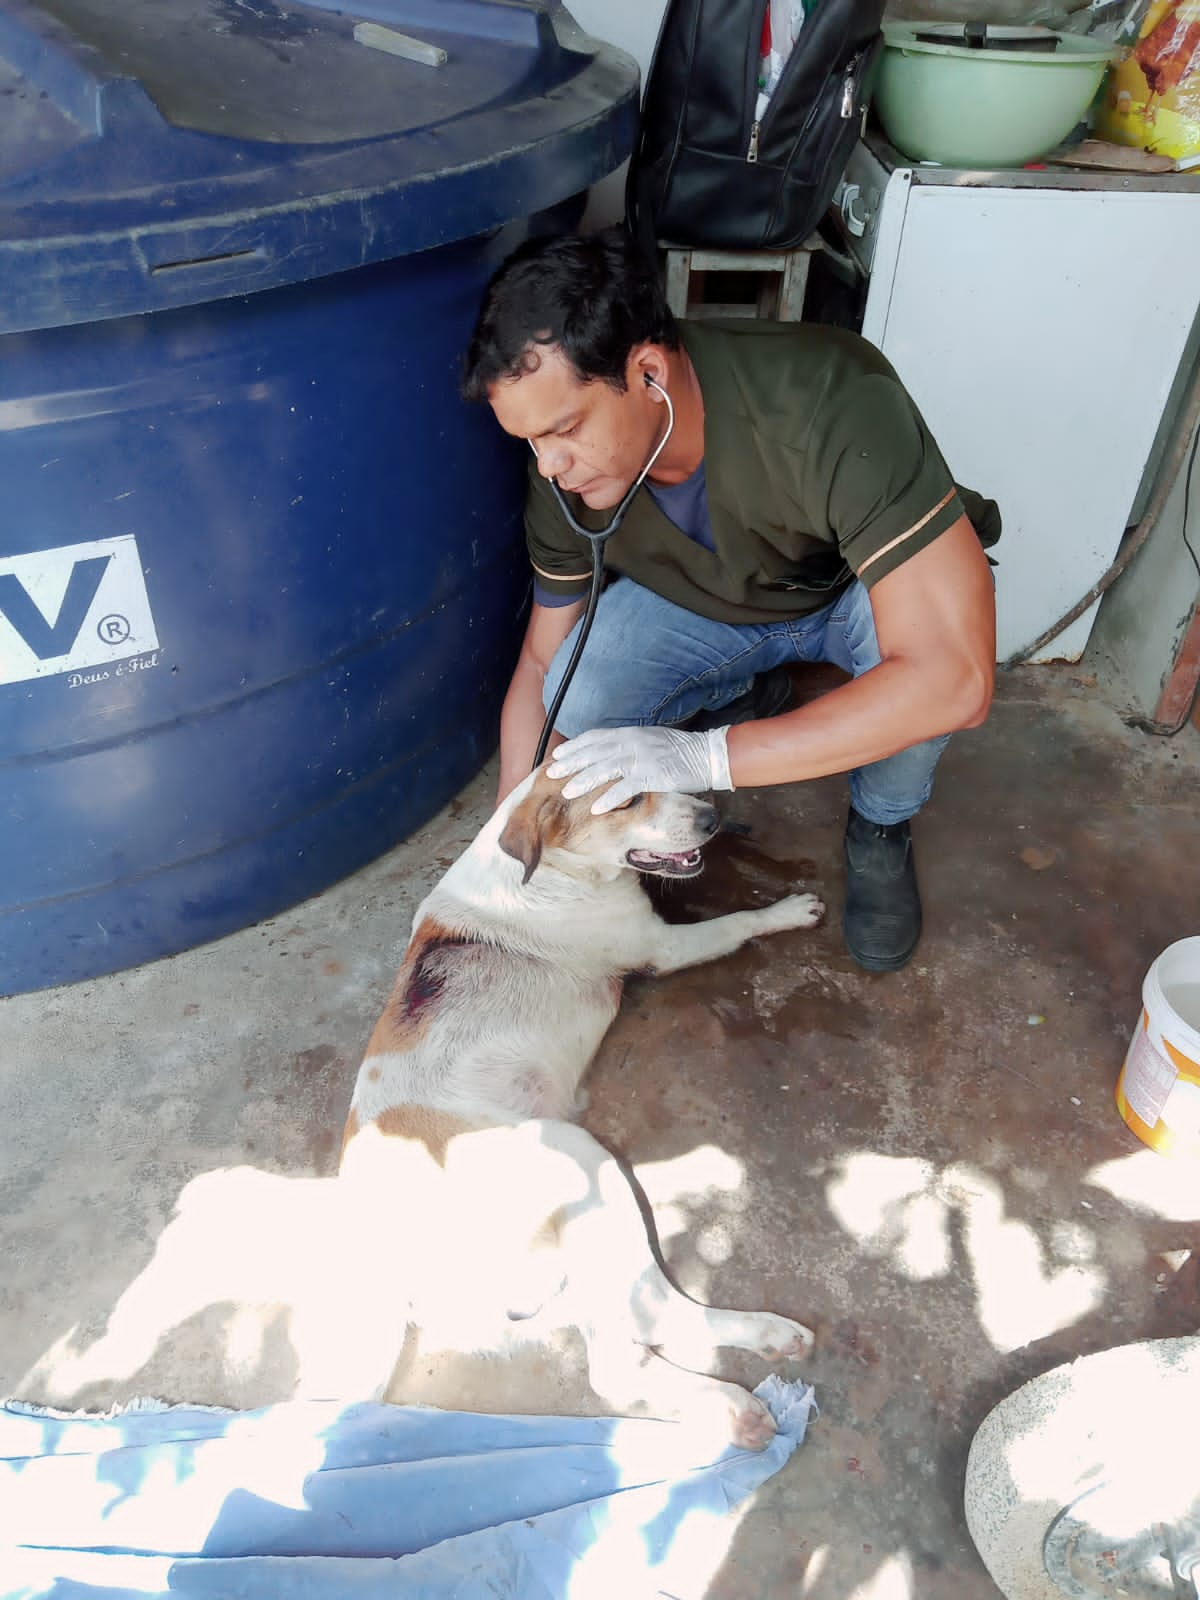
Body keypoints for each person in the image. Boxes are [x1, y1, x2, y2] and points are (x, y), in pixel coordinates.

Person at [461, 229, 1000, 972]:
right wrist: (509, 829)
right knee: (578, 695)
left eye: (563, 430)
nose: (549, 466)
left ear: (647, 373)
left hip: (854, 594)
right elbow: (542, 661)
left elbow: (955, 679)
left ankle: (881, 826)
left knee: (919, 684)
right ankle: (752, 686)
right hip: (712, 602)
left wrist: (703, 756)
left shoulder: (831, 397)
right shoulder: (562, 472)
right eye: (530, 442)